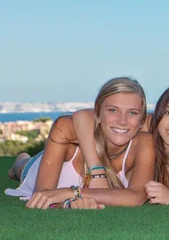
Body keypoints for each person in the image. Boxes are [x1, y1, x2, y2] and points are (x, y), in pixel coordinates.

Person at [6, 77, 155, 209]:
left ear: (142, 120)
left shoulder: (145, 142)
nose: (122, 121)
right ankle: (20, 162)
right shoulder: (65, 129)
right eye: (113, 110)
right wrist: (67, 203)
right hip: (45, 163)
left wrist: (71, 193)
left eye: (132, 113)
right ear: (98, 113)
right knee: (24, 168)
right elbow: (43, 195)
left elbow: (136, 197)